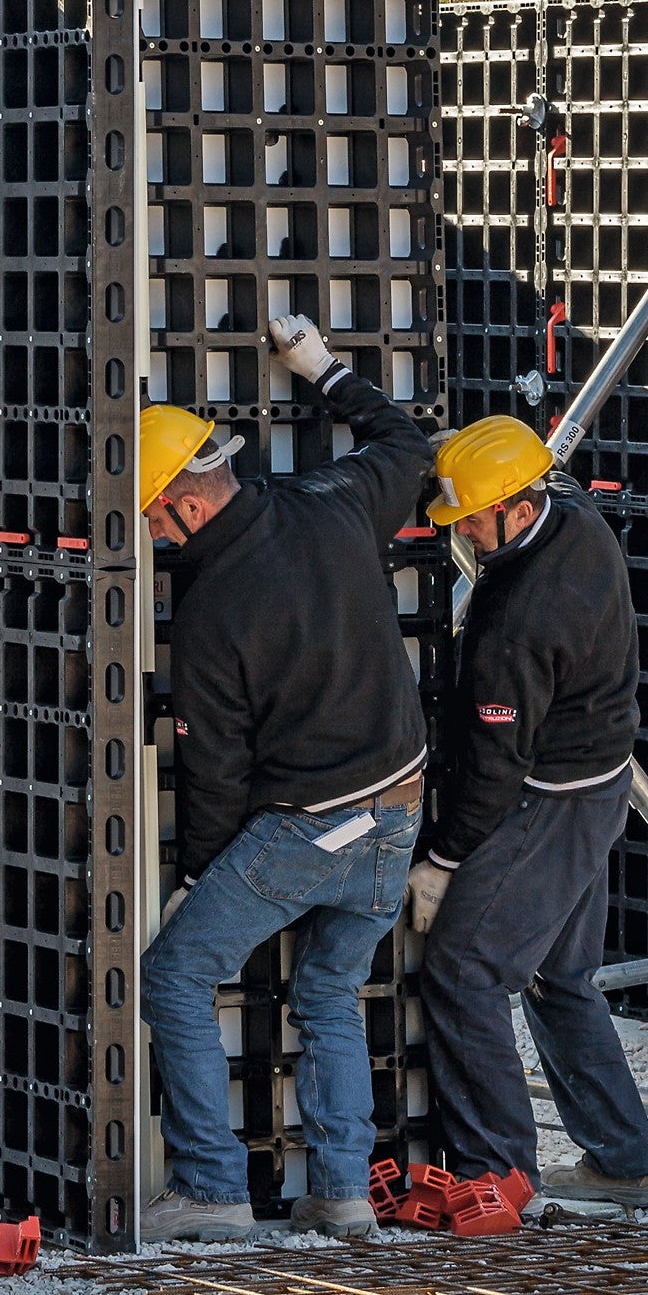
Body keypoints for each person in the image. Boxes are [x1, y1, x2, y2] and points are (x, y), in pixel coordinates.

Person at [137, 313, 434, 1245]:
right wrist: (321, 369)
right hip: (402, 806)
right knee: (327, 992)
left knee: (176, 975)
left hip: (313, 825)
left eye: (148, 514)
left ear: (184, 503)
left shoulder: (213, 610)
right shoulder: (333, 500)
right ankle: (342, 1195)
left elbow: (216, 773)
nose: (148, 533)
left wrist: (195, 879)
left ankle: (212, 1191)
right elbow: (406, 443)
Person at [410, 415, 648, 1210]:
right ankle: (624, 1163)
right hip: (599, 784)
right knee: (562, 975)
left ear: (516, 509)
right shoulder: (575, 513)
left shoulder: (516, 618)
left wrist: (444, 861)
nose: (465, 537)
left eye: (472, 522)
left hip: (548, 803)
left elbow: (493, 769)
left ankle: (499, 1173)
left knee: (464, 966)